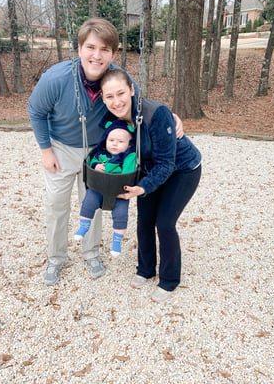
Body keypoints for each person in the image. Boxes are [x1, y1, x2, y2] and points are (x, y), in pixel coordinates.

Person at [29, 17, 183, 287]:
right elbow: (36, 111)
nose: (96, 56)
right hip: (61, 148)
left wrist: (171, 117)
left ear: (113, 53)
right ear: (79, 50)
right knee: (57, 205)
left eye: (104, 50)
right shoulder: (55, 78)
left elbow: (139, 104)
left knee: (96, 203)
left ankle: (91, 253)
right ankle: (56, 257)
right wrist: (45, 150)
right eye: (90, 47)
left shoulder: (117, 78)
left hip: (100, 150)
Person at [99, 69, 202, 303]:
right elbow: (110, 152)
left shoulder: (156, 113)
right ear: (103, 99)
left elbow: (166, 163)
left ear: (132, 90)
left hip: (182, 170)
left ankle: (169, 279)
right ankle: (146, 269)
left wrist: (143, 188)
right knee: (144, 220)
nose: (116, 102)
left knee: (164, 222)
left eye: (121, 93)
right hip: (149, 172)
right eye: (109, 97)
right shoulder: (112, 121)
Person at [74, 119, 136, 257]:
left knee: (121, 215)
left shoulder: (129, 156)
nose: (114, 143)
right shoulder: (101, 152)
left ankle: (117, 241)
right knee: (88, 202)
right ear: (106, 140)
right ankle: (84, 226)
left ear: (128, 144)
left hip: (119, 192)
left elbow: (128, 171)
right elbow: (92, 160)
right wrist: (96, 166)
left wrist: (109, 168)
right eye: (111, 140)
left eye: (120, 142)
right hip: (98, 188)